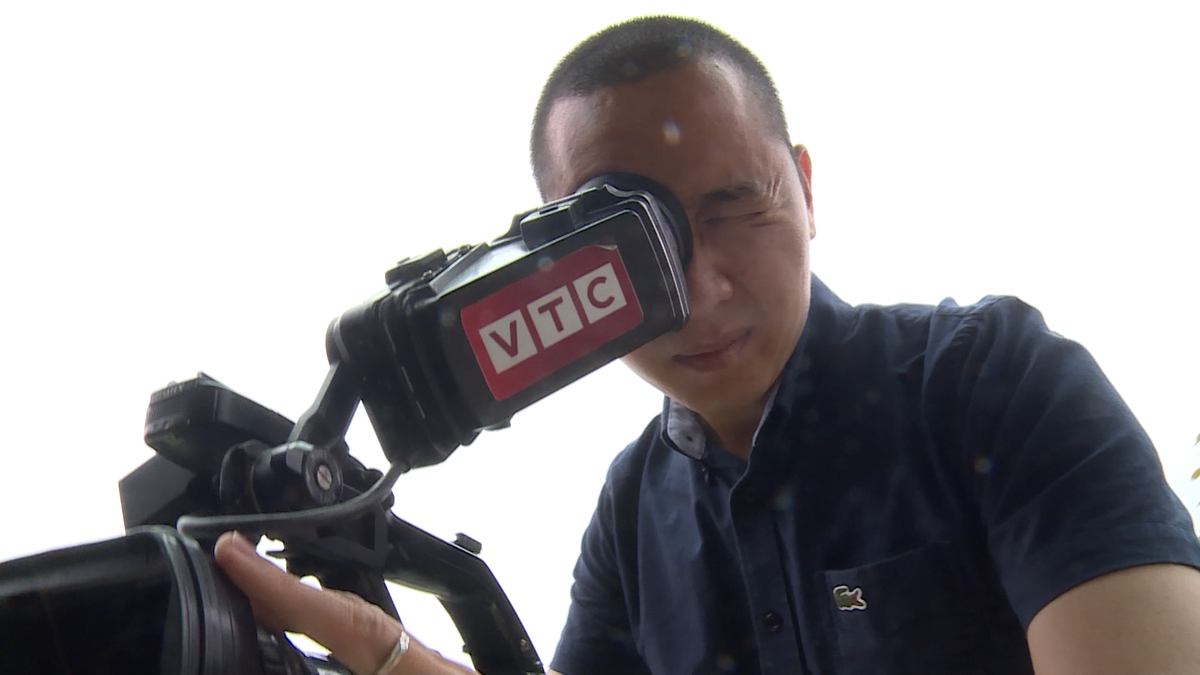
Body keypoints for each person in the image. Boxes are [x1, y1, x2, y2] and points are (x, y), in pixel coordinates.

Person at [214, 15, 1200, 675]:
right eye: (628, 251)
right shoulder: (630, 513)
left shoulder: (995, 382)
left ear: (804, 186)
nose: (698, 292)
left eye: (732, 207)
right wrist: (393, 656)